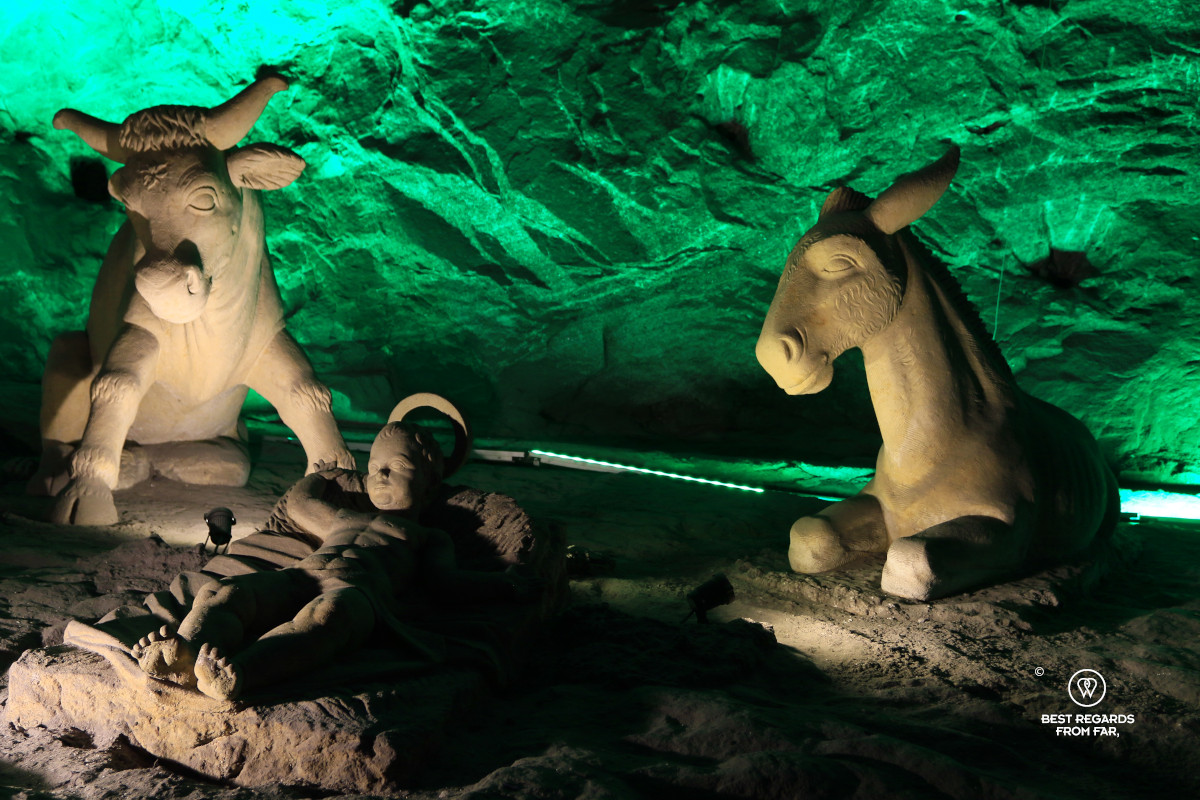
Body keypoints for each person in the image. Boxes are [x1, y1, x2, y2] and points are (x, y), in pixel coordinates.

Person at [132, 400, 539, 701]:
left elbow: (447, 585)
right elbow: (302, 504)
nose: (377, 475)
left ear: (431, 485)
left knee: (325, 622)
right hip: (304, 573)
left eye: (395, 468)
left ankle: (242, 672)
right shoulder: (345, 518)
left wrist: (502, 584)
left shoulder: (426, 537)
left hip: (359, 594)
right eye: (373, 466)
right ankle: (184, 649)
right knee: (223, 593)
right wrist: (323, 476)